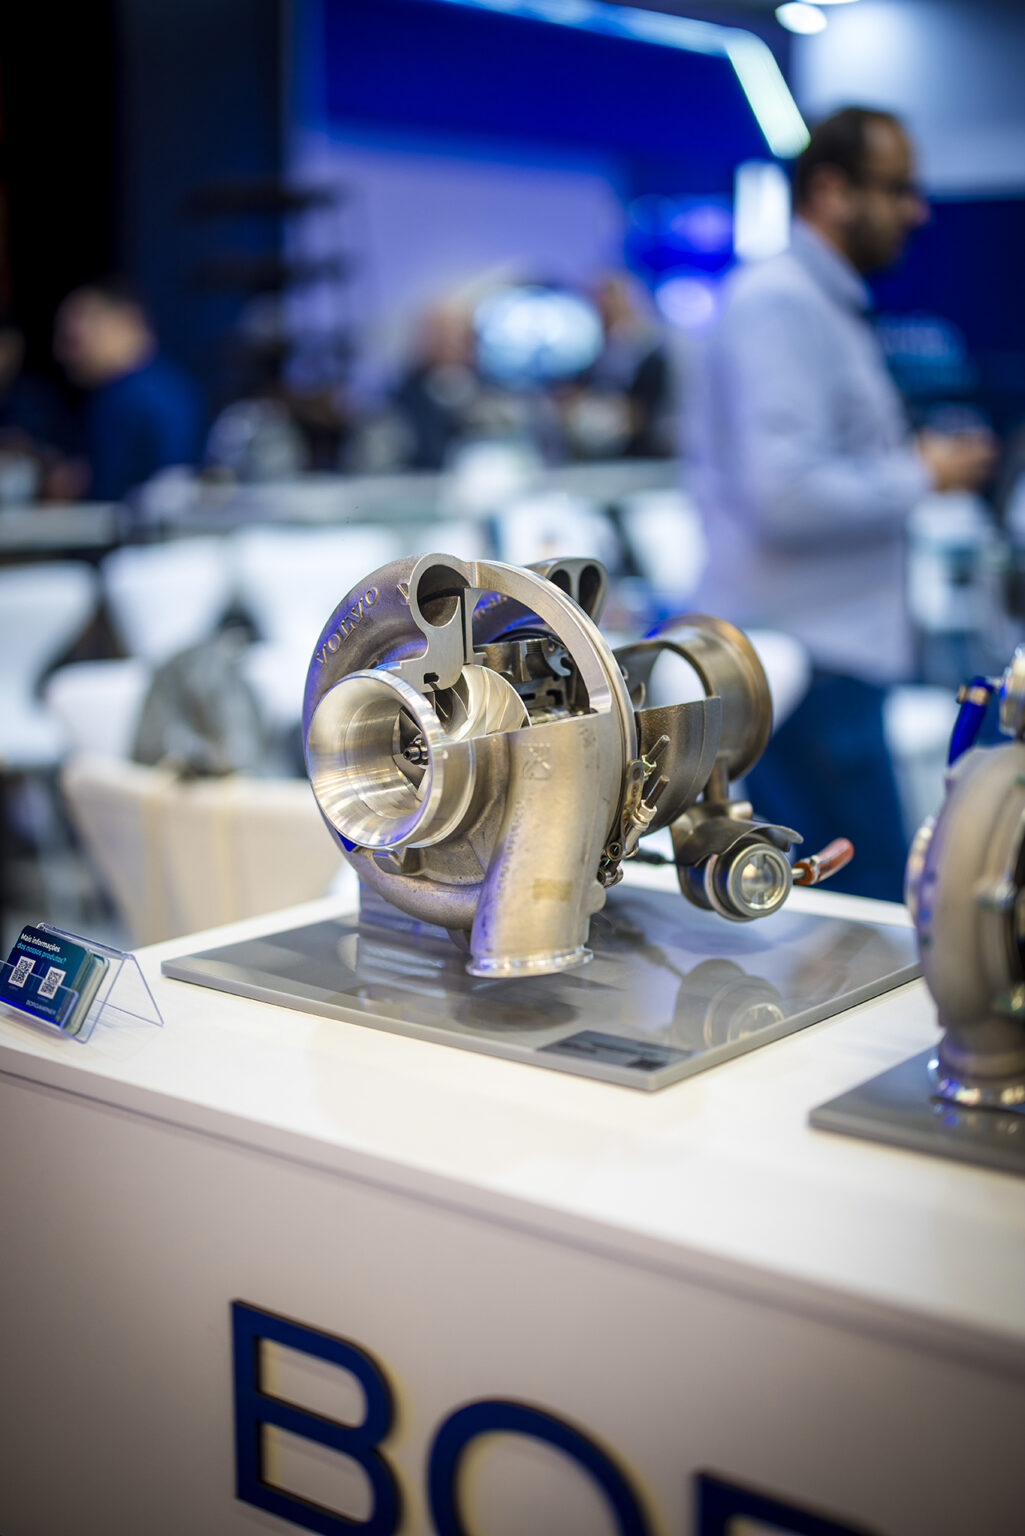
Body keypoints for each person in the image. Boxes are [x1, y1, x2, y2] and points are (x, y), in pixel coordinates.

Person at [689, 107, 995, 900]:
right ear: (830, 191)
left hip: (828, 663)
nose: (915, 212)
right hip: (804, 672)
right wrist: (920, 474)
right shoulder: (779, 302)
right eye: (896, 189)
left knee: (850, 917)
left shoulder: (819, 303)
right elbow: (784, 494)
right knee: (859, 922)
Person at [54, 281, 201, 501]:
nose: (62, 354)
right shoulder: (128, 390)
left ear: (128, 320)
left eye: (74, 341)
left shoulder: (143, 397)